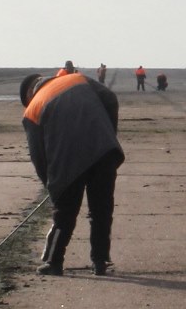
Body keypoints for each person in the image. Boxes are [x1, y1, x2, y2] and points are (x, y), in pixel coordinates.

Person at [20, 70, 125, 275]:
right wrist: (109, 134)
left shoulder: (33, 108)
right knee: (101, 210)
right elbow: (110, 99)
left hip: (67, 161)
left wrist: (51, 186)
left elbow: (38, 156)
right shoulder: (77, 79)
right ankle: (100, 261)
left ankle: (54, 262)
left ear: (28, 95)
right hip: (103, 152)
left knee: (64, 214)